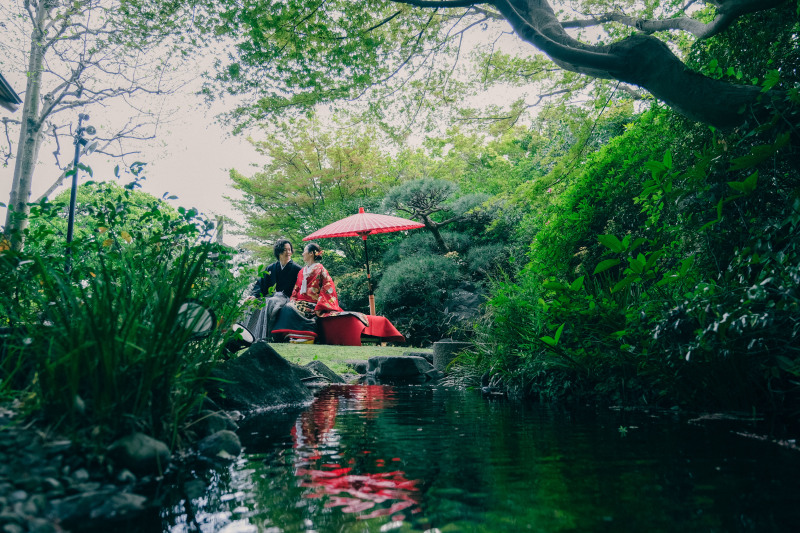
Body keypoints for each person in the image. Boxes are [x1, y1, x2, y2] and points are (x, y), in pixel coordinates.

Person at [272, 242, 363, 343]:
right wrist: (293, 299)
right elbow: (296, 288)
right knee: (287, 306)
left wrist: (320, 305)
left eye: (304, 251)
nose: (302, 254)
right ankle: (294, 336)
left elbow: (328, 287)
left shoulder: (321, 269)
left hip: (314, 303)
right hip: (300, 302)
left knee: (290, 308)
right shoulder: (302, 271)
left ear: (311, 253)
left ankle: (307, 336)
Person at [243, 239, 302, 341]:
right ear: (278, 252)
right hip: (272, 296)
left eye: (289, 250)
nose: (288, 252)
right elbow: (261, 284)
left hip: (286, 297)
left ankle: (268, 336)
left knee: (271, 302)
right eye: (285, 250)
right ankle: (248, 334)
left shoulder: (297, 269)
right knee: (254, 303)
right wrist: (254, 295)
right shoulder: (271, 268)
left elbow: (300, 287)